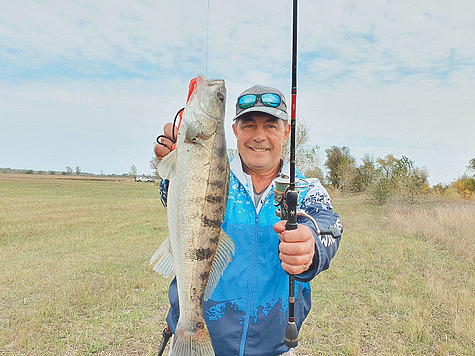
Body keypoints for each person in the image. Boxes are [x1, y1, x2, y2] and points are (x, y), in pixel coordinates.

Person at [154, 84, 342, 356]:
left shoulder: (306, 190)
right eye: (249, 125)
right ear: (234, 131)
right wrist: (176, 164)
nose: (259, 136)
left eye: (271, 126)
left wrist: (311, 242)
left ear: (286, 131)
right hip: (195, 340)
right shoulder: (210, 178)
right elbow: (172, 197)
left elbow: (329, 225)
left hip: (273, 348)